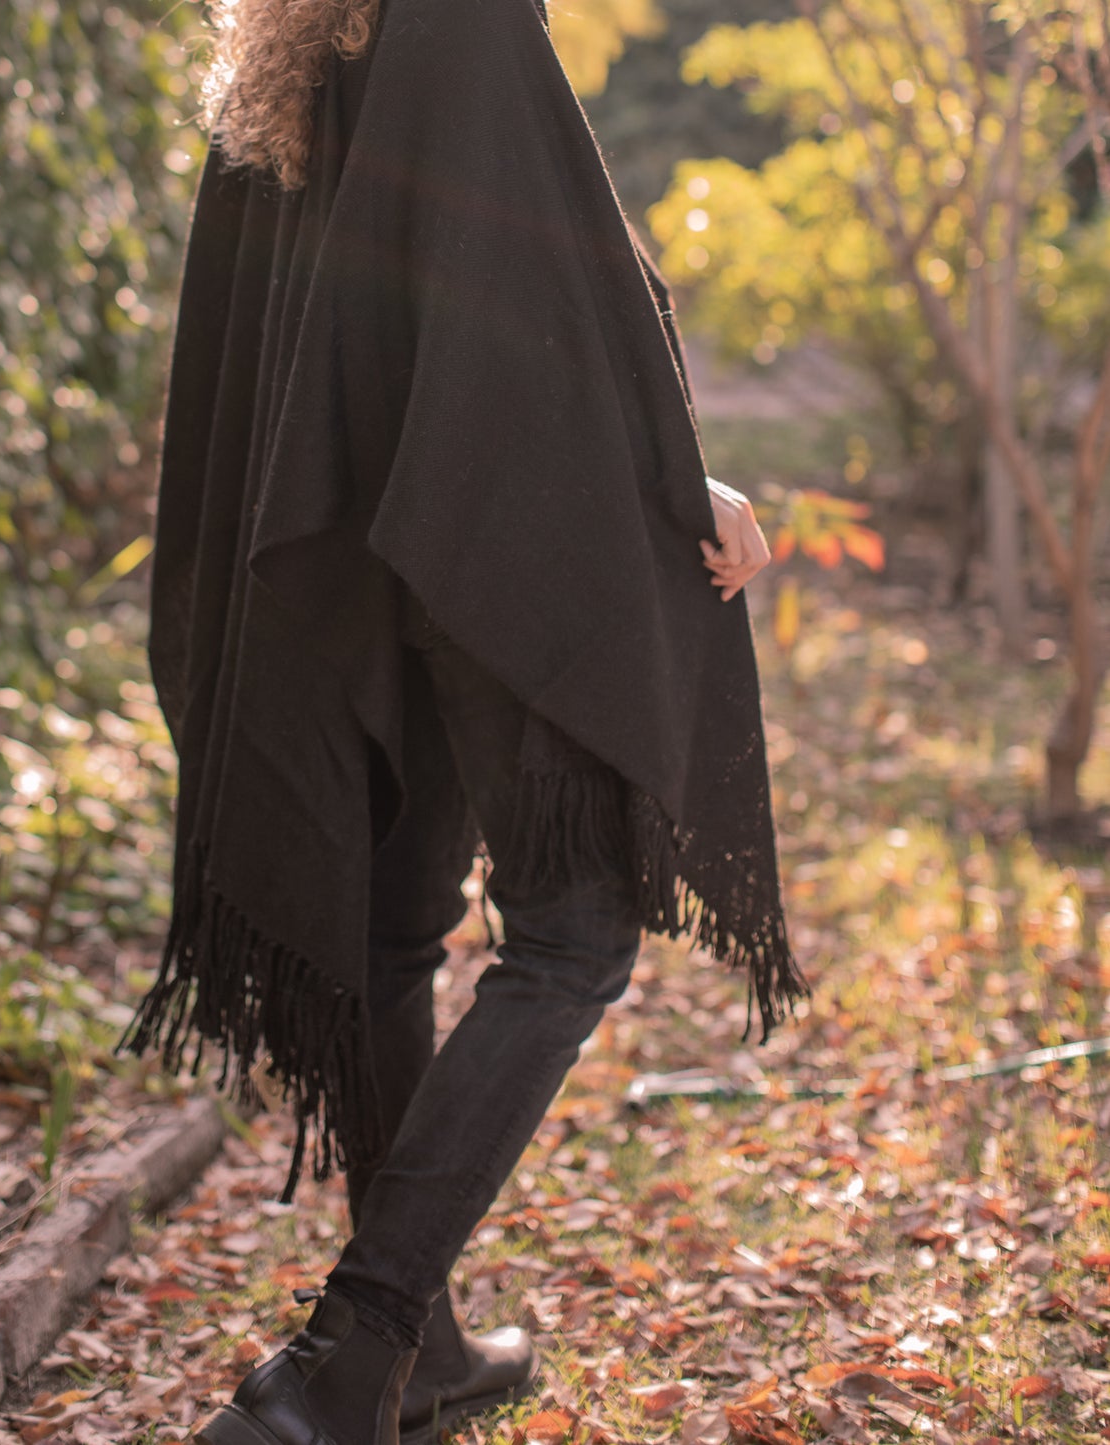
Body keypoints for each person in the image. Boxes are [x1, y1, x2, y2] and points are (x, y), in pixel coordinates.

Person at [117, 0, 808, 1441]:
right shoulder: (461, 17)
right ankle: (351, 1348)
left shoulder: (302, 39)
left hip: (350, 550)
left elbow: (388, 302)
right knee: (575, 932)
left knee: (392, 925)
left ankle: (416, 1351)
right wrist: (672, 477)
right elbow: (526, 301)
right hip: (469, 530)